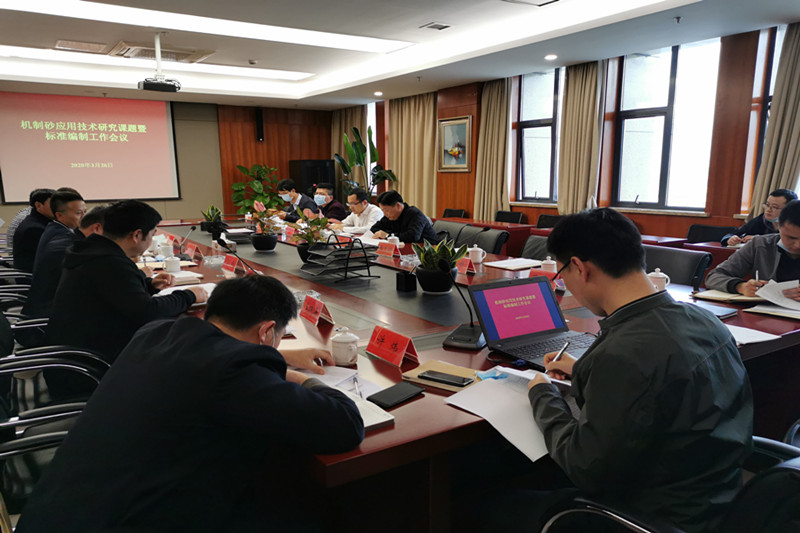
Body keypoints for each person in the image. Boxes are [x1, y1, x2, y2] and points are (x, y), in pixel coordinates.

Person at [15, 275, 365, 533]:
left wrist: (279, 358)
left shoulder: (155, 333)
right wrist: (300, 377)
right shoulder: (232, 373)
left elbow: (214, 358)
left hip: (60, 509)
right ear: (266, 331)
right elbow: (344, 425)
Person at [507, 208, 752, 532]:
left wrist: (542, 393)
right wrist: (583, 370)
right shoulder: (704, 320)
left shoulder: (622, 354)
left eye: (562, 273)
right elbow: (662, 382)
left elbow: (583, 467)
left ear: (579, 267)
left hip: (653, 516)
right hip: (719, 498)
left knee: (481, 503)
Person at [46, 200, 208, 364]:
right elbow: (148, 311)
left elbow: (116, 293)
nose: (151, 240)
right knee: (189, 345)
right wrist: (189, 295)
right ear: (136, 235)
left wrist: (149, 285)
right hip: (93, 360)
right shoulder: (109, 263)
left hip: (76, 350)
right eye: (152, 235)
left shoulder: (92, 251)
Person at [22, 202, 105, 320]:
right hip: (50, 318)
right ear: (97, 228)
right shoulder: (76, 251)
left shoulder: (69, 240)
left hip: (49, 310)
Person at [706, 199, 800, 299]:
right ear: (778, 226)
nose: (798, 245)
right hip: (764, 307)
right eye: (791, 238)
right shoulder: (760, 245)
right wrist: (740, 286)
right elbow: (714, 276)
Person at [720, 189, 798, 246]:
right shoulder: (760, 220)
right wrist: (730, 239)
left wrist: (760, 239)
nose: (768, 210)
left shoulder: (795, 225)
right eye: (767, 205)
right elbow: (730, 235)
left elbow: (789, 245)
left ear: (788, 209)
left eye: (775, 207)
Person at [370, 190, 438, 243]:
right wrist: (383, 234)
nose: (385, 214)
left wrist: (387, 235)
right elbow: (374, 228)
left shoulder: (415, 214)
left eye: (386, 210)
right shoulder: (389, 216)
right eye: (382, 210)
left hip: (427, 250)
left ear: (398, 206)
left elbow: (413, 236)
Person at [12, 188, 55, 272]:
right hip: (32, 275)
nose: (58, 208)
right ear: (38, 205)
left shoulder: (34, 220)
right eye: (53, 204)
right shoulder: (34, 228)